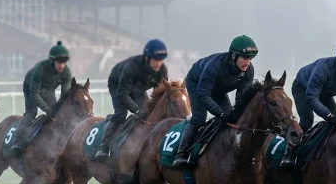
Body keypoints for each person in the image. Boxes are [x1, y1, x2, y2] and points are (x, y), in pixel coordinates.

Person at [172, 35, 257, 167]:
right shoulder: (216, 65)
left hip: (218, 89)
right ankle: (180, 154)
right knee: (199, 117)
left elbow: (241, 99)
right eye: (245, 58)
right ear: (234, 56)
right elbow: (203, 93)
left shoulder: (249, 71)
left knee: (231, 119)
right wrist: (220, 113)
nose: (248, 62)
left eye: (250, 59)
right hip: (197, 83)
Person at [279, 39, 336, 167]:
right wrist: (328, 114)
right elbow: (311, 97)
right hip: (303, 89)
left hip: (325, 93)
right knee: (307, 120)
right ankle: (288, 152)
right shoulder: (324, 68)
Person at [94, 39, 169, 160]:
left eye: (161, 60)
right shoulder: (132, 67)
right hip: (117, 84)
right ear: (147, 58)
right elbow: (123, 94)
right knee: (121, 114)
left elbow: (160, 93)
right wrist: (137, 110)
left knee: (149, 113)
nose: (159, 63)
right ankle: (103, 147)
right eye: (156, 60)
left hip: (137, 89)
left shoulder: (162, 70)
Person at [8, 41, 72, 156]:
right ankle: (17, 142)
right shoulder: (41, 69)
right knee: (31, 112)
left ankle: (56, 141)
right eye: (59, 62)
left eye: (64, 63)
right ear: (52, 61)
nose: (61, 66)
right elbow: (35, 94)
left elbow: (64, 96)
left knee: (57, 114)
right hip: (31, 88)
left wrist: (60, 111)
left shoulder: (66, 72)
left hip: (48, 89)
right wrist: (48, 110)